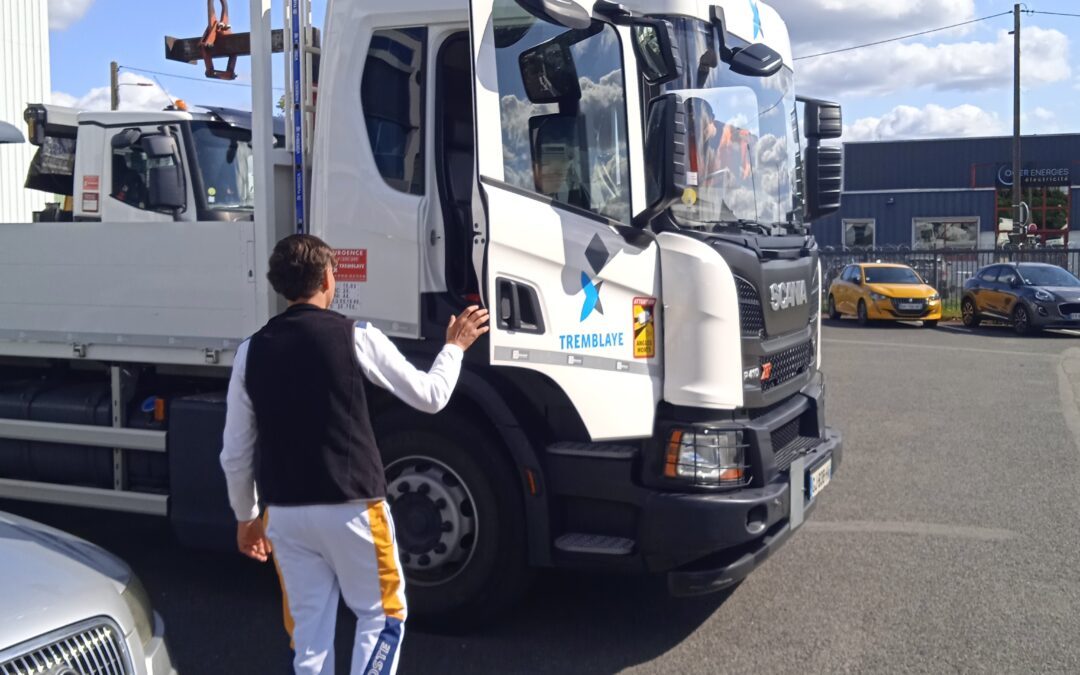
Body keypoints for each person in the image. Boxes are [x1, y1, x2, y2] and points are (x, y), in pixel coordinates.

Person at [219, 234, 489, 675]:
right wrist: (454, 348)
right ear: (329, 277)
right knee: (382, 616)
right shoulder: (356, 336)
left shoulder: (251, 351)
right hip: (354, 507)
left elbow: (235, 451)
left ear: (280, 285)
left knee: (309, 637)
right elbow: (431, 395)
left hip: (284, 515)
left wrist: (246, 517)